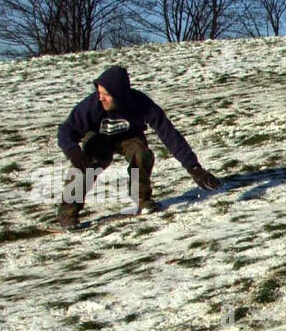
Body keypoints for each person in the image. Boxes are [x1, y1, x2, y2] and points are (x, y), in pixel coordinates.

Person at [55, 65, 220, 229]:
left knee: (141, 154)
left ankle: (142, 200)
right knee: (86, 164)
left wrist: (194, 168)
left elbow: (169, 134)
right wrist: (73, 151)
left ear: (119, 95)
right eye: (99, 93)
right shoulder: (91, 106)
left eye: (106, 94)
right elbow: (65, 131)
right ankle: (67, 213)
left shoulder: (141, 103)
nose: (101, 98)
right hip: (99, 139)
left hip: (129, 138)